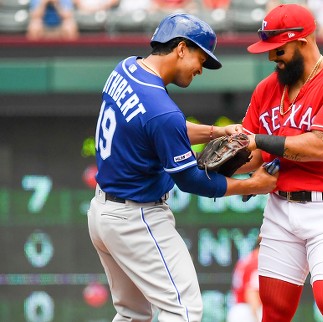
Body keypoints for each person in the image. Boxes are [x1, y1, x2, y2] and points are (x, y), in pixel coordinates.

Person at [87, 13, 278, 322]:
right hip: (136, 218)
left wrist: (217, 131)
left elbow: (156, 128)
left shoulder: (125, 68)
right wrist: (252, 185)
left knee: (133, 314)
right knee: (184, 310)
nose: (201, 68)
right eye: (201, 58)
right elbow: (191, 181)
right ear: (180, 48)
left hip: (103, 213)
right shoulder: (162, 111)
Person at [239, 4, 323, 321]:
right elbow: (253, 155)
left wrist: (258, 140)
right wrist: (221, 162)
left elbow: (320, 146)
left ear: (303, 40)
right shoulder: (266, 89)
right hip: (280, 209)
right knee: (274, 311)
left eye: (278, 49)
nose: (272, 58)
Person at [227, 238, 262, 322]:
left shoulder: (245, 259)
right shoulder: (257, 262)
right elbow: (251, 293)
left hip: (237, 310)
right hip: (247, 313)